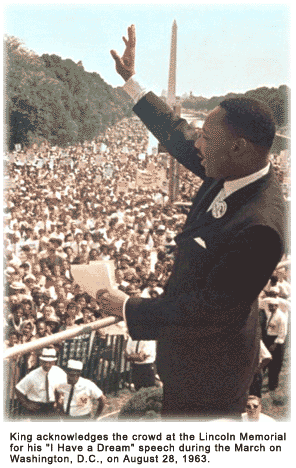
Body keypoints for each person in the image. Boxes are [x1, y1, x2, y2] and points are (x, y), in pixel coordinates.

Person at [97, 25, 287, 419]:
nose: (195, 145)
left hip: (212, 374)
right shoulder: (234, 167)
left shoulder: (261, 228)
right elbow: (177, 134)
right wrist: (132, 82)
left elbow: (208, 312)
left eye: (206, 137)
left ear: (237, 147)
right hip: (191, 359)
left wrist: (129, 307)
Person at [15, 348, 67, 418]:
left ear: (54, 362)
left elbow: (67, 386)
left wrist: (61, 399)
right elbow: (18, 389)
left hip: (51, 408)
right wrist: (26, 404)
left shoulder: (59, 372)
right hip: (36, 408)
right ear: (41, 361)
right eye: (45, 362)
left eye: (50, 362)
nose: (47, 365)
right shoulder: (33, 375)